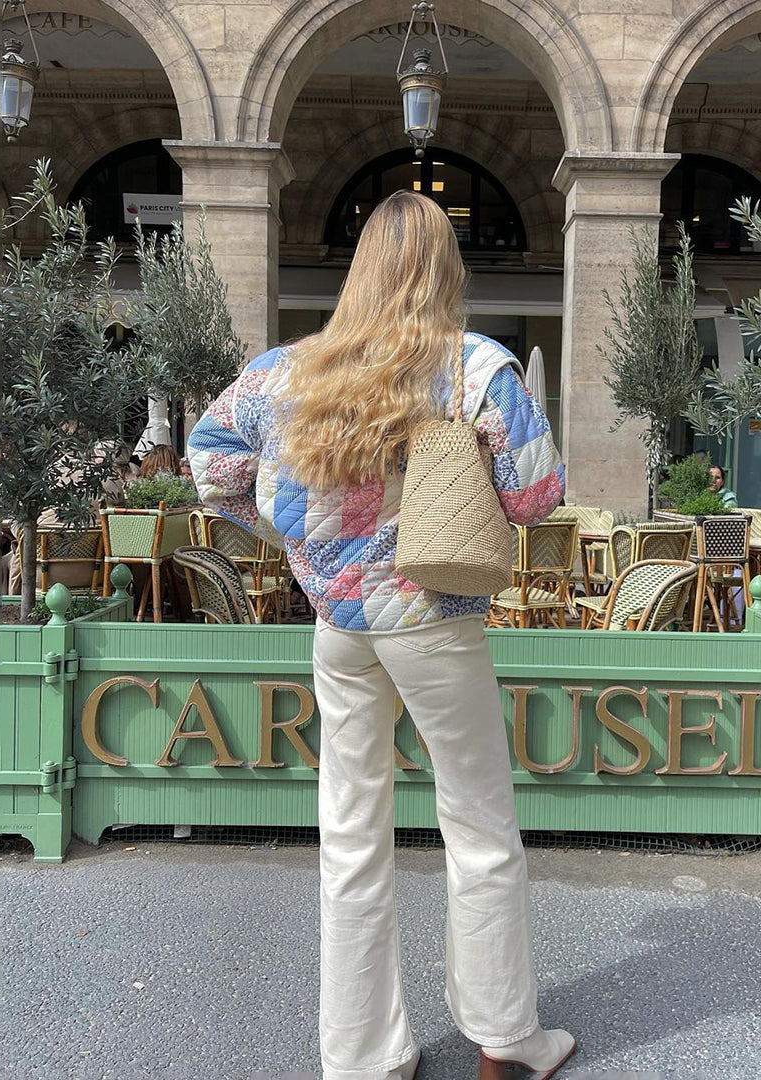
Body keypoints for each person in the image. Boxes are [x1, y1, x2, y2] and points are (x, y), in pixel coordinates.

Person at [188, 192, 575, 1080]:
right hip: (434, 620)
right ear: (447, 271)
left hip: (338, 624)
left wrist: (293, 534)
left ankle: (365, 1057)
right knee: (477, 822)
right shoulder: (475, 368)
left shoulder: (288, 371)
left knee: (350, 831)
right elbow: (536, 497)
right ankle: (507, 1041)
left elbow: (211, 464)